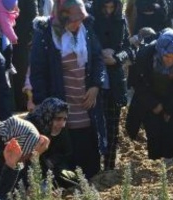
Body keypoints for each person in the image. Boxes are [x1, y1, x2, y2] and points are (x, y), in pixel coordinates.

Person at [30, 0, 107, 179]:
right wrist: (47, 108)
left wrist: (96, 85)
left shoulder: (86, 31)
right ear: (61, 16)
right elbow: (38, 73)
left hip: (86, 104)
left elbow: (97, 59)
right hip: (62, 104)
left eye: (79, 20)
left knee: (89, 155)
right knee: (66, 154)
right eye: (72, 20)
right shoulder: (45, 35)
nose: (76, 24)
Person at [126, 28, 173, 159]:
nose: (171, 60)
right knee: (154, 136)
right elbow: (138, 84)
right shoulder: (144, 56)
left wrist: (169, 109)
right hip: (151, 99)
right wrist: (154, 104)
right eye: (167, 56)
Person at [93, 0, 134, 170]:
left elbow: (129, 49)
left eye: (112, 8)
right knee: (94, 128)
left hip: (115, 82)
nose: (108, 11)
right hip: (95, 82)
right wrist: (100, 54)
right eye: (105, 8)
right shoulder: (91, 21)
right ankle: (93, 167)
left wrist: (116, 58)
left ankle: (109, 167)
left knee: (112, 128)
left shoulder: (121, 21)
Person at [26, 97, 80, 188]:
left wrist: (52, 161)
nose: (62, 124)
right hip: (30, 169)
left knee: (71, 179)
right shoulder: (31, 128)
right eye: (58, 119)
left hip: (54, 167)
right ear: (48, 116)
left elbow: (66, 151)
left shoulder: (62, 129)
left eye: (64, 119)